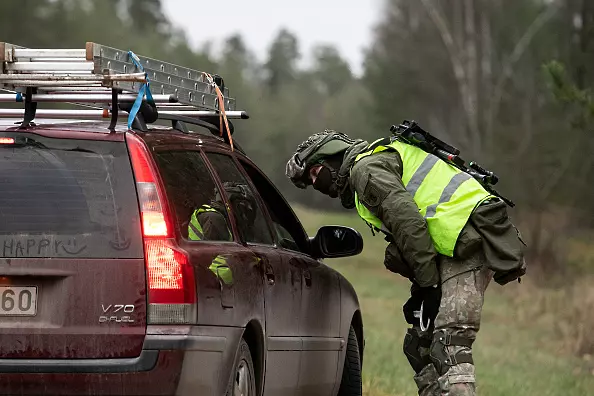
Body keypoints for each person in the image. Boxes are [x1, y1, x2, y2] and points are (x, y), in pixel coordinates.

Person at [285, 129, 527, 396]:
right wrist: (422, 290)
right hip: (450, 246)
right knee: (419, 346)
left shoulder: (366, 170)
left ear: (332, 158)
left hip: (468, 241)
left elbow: (409, 226)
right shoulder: (367, 169)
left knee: (449, 342)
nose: (317, 182)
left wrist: (429, 286)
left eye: (316, 173)